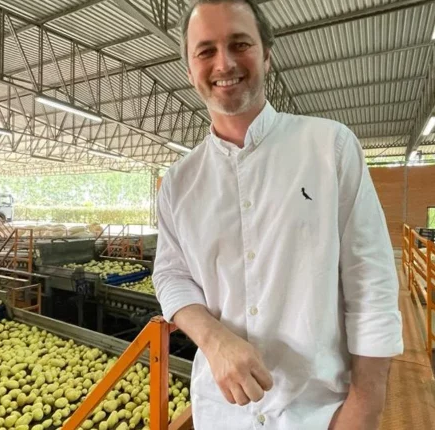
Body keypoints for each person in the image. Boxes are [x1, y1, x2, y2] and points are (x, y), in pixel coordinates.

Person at [152, 1, 403, 429]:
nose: (224, 62)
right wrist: (213, 340)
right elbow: (171, 275)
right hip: (223, 414)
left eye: (240, 43)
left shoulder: (330, 147)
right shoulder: (179, 181)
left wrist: (365, 408)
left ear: (267, 54)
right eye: (206, 50)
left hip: (319, 413)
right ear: (189, 67)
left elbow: (371, 281)